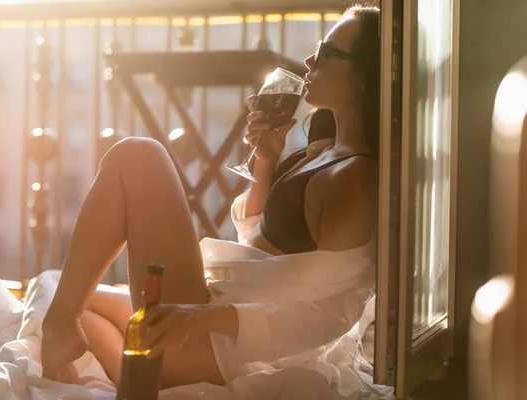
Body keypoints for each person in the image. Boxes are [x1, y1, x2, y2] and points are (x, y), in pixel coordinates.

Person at [40, 3, 381, 389]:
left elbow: (331, 311)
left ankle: (67, 331)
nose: (309, 59)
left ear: (364, 76)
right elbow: (261, 249)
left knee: (139, 155)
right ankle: (140, 381)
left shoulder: (355, 177)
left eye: (326, 52)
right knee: (70, 296)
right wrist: (266, 161)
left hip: (222, 345)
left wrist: (201, 317)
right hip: (211, 320)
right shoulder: (324, 150)